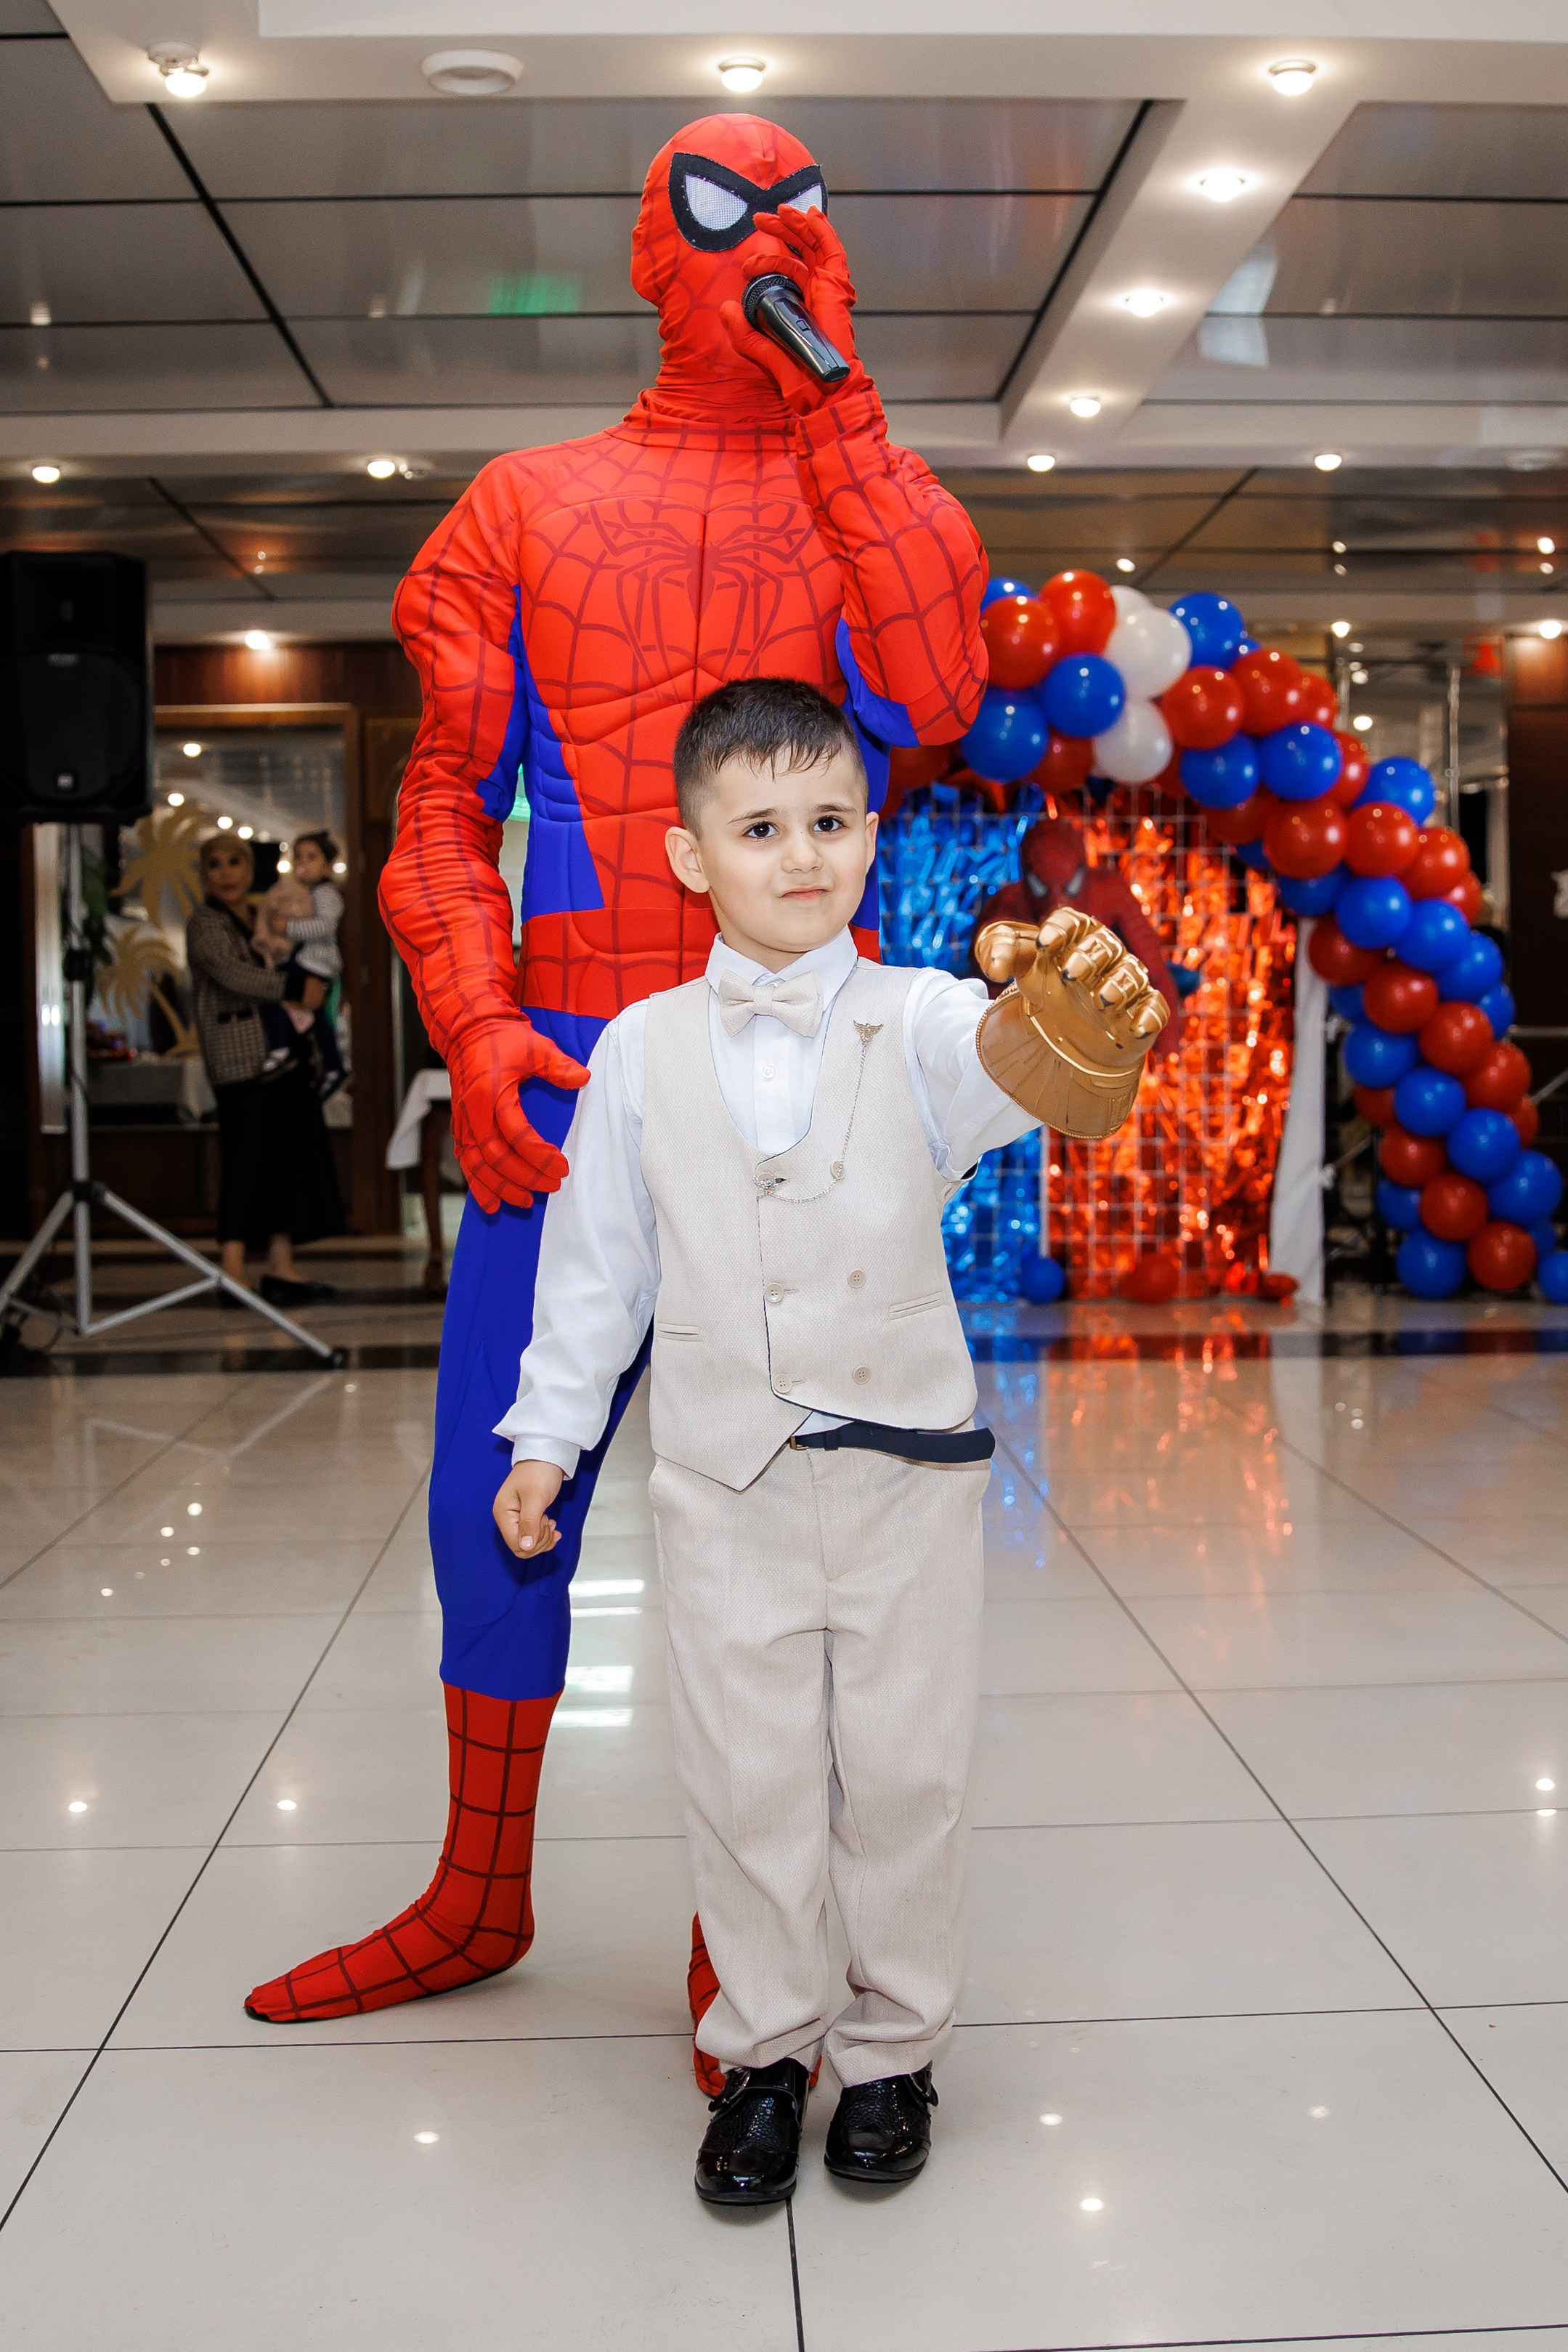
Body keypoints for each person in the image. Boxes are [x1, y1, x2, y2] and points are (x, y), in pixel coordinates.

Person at [243, 113, 988, 2064]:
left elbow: (930, 689)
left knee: (778, 1536)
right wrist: (480, 1026)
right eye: (729, 216)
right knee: (495, 1494)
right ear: (647, 254)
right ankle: (476, 1885)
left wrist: (839, 410)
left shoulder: (859, 498)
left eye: (807, 213)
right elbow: (435, 813)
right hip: (566, 1092)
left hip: (803, 1112)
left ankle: (744, 1933)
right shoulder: (516, 506)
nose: (774, 243)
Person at [491, 679, 1166, 2206]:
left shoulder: (919, 1017)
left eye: (828, 820)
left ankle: (891, 2051)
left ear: (868, 834)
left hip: (901, 1479)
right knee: (744, 1775)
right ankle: (764, 2049)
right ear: (687, 853)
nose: (799, 853)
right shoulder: (636, 1053)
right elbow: (594, 1270)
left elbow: (1012, 1070)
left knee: (902, 1768)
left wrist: (1057, 1042)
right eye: (757, 826)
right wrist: (544, 1438)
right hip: (717, 1479)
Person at [185, 835, 344, 1305]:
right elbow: (232, 974)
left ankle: (280, 1265)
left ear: (250, 869)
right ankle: (232, 1267)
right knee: (245, 1160)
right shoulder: (206, 922)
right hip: (239, 1060)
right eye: (215, 864)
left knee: (284, 1161)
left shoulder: (256, 915)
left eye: (235, 862)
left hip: (282, 1059)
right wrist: (296, 984)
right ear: (205, 873)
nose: (227, 873)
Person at [252, 831, 347, 1098]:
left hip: (315, 963)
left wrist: (288, 928)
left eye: (312, 857)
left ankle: (281, 1047)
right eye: (299, 857)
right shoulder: (306, 892)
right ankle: (333, 1065)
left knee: (275, 990)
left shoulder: (326, 894)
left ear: (328, 866)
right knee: (316, 1019)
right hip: (306, 958)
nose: (303, 863)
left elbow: (325, 926)